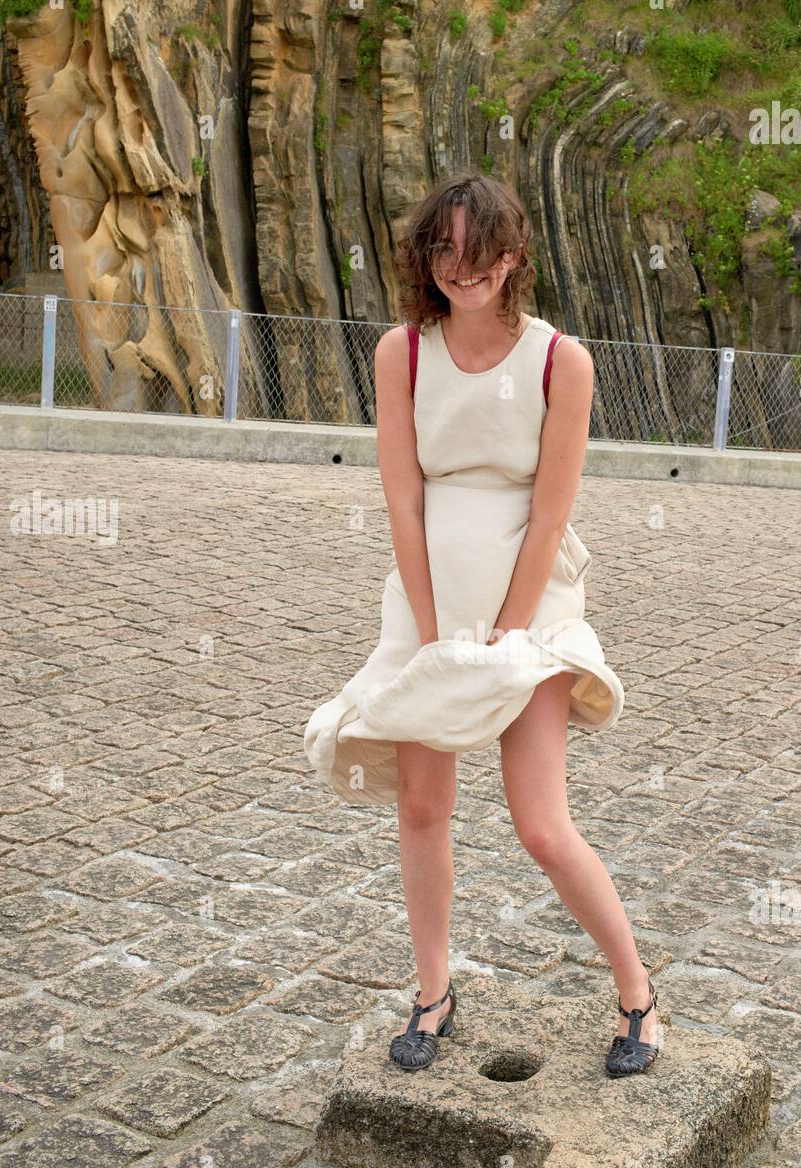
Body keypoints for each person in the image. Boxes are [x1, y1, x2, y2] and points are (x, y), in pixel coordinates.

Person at [303, 171, 660, 1077]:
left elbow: (549, 513)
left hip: (529, 607)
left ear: (512, 258)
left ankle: (639, 997)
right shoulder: (402, 353)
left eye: (479, 251)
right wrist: (432, 633)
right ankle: (433, 993)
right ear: (427, 255)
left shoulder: (558, 361)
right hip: (427, 604)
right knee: (422, 806)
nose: (461, 268)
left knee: (541, 824)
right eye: (443, 248)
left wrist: (504, 632)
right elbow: (403, 498)